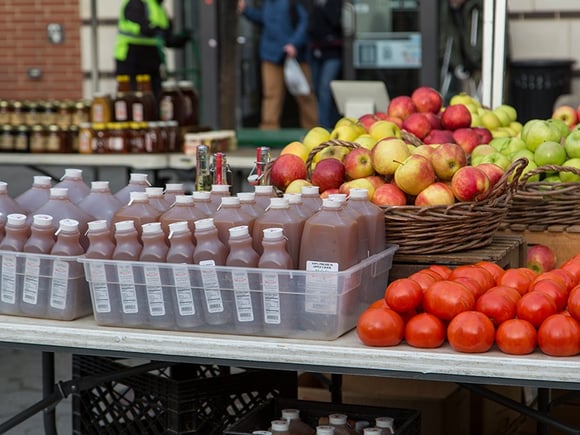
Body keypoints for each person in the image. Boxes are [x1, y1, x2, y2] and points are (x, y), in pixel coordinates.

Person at [238, 0, 318, 130]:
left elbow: (304, 22)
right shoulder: (268, 3)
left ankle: (312, 129)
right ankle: (269, 129)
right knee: (271, 94)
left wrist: (294, 43)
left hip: (295, 55)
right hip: (271, 54)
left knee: (304, 94)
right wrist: (246, 10)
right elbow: (263, 19)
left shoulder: (294, 3)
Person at [114, 0, 190, 99]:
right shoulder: (137, 2)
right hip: (131, 57)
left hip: (151, 59)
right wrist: (157, 31)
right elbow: (143, 27)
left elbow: (165, 37)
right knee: (133, 97)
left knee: (155, 97)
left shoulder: (159, 8)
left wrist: (179, 40)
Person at [307, 0, 343, 130]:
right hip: (315, 51)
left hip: (332, 52)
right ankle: (331, 123)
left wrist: (324, 5)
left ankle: (324, 128)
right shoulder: (311, 4)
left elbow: (337, 21)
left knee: (325, 88)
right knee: (318, 89)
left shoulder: (336, 3)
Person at [439, 0, 483, 102]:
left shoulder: (477, 8)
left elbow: (480, 37)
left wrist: (474, 58)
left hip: (477, 62)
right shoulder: (447, 10)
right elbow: (447, 37)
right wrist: (455, 62)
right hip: (458, 62)